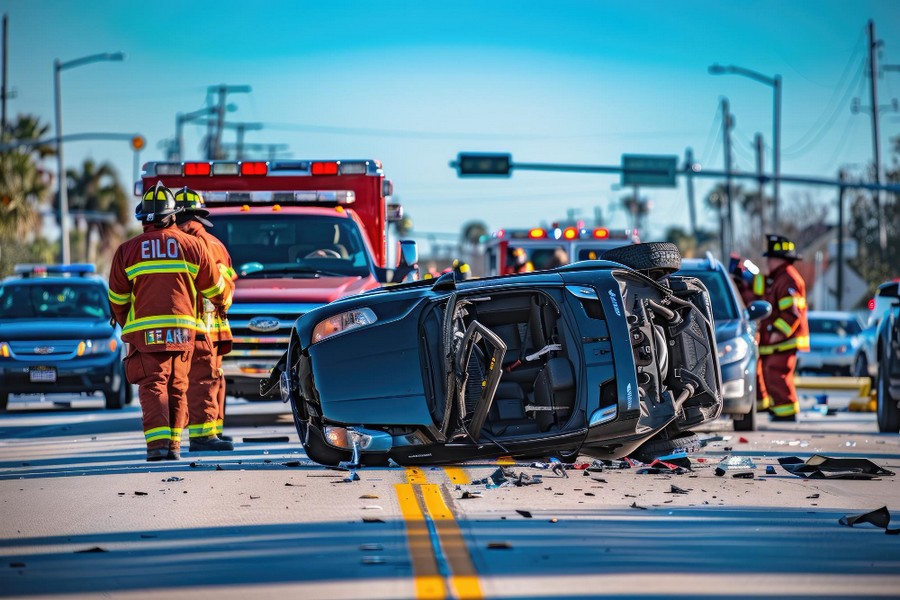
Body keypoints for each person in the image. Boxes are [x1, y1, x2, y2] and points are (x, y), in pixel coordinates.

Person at [108, 182, 227, 461]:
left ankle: (158, 447)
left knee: (154, 386)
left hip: (146, 336)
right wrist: (223, 304)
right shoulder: (194, 246)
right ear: (173, 215)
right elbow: (215, 290)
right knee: (177, 386)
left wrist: (130, 327)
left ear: (143, 219)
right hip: (183, 334)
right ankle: (173, 447)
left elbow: (117, 297)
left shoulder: (127, 250)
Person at [173, 187, 238, 450]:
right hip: (213, 327)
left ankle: (206, 435)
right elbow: (227, 285)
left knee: (188, 381)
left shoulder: (173, 242)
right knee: (210, 379)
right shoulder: (214, 244)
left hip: (185, 325)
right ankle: (208, 434)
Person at [734, 234, 809, 421]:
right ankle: (774, 409)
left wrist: (778, 333)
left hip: (784, 340)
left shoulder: (788, 279)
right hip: (776, 340)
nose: (767, 261)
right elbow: (761, 288)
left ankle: (787, 413)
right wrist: (742, 277)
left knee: (776, 372)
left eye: (770, 258)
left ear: (780, 259)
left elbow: (792, 313)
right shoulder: (777, 278)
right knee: (767, 372)